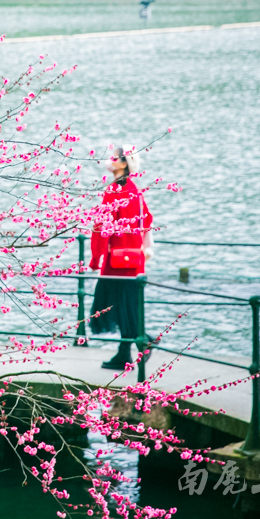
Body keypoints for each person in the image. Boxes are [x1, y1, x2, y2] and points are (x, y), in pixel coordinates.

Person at [88, 145, 153, 370]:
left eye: (115, 157)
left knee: (115, 305)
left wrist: (95, 258)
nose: (110, 159)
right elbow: (148, 218)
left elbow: (102, 227)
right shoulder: (134, 189)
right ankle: (125, 353)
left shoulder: (114, 190)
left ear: (124, 163)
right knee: (126, 306)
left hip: (115, 261)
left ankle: (144, 340)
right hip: (134, 259)